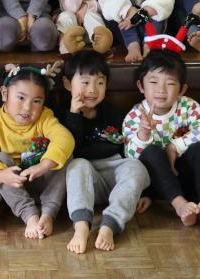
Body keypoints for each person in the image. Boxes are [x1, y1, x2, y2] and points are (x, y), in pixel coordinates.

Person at [57, 51, 150, 254]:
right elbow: (70, 149)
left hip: (115, 175)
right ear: (67, 84)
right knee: (77, 164)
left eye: (100, 82)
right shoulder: (60, 114)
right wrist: (74, 115)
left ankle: (110, 224)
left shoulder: (113, 112)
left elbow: (129, 150)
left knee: (135, 166)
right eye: (85, 82)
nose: (92, 89)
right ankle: (81, 226)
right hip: (86, 180)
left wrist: (141, 192)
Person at [123, 32, 200, 227]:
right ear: (141, 86)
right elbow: (130, 156)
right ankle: (180, 205)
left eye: (170, 83)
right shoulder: (136, 115)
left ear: (182, 89)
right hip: (158, 182)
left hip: (185, 175)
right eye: (153, 82)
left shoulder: (188, 106)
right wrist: (143, 133)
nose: (161, 90)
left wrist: (174, 147)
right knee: (151, 152)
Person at [0, 63, 74, 239]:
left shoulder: (45, 117)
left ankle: (48, 215)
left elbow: (64, 137)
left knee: (65, 155)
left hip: (41, 180)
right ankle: (30, 216)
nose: (27, 108)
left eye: (36, 101)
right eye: (20, 98)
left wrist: (45, 164)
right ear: (4, 93)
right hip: (13, 187)